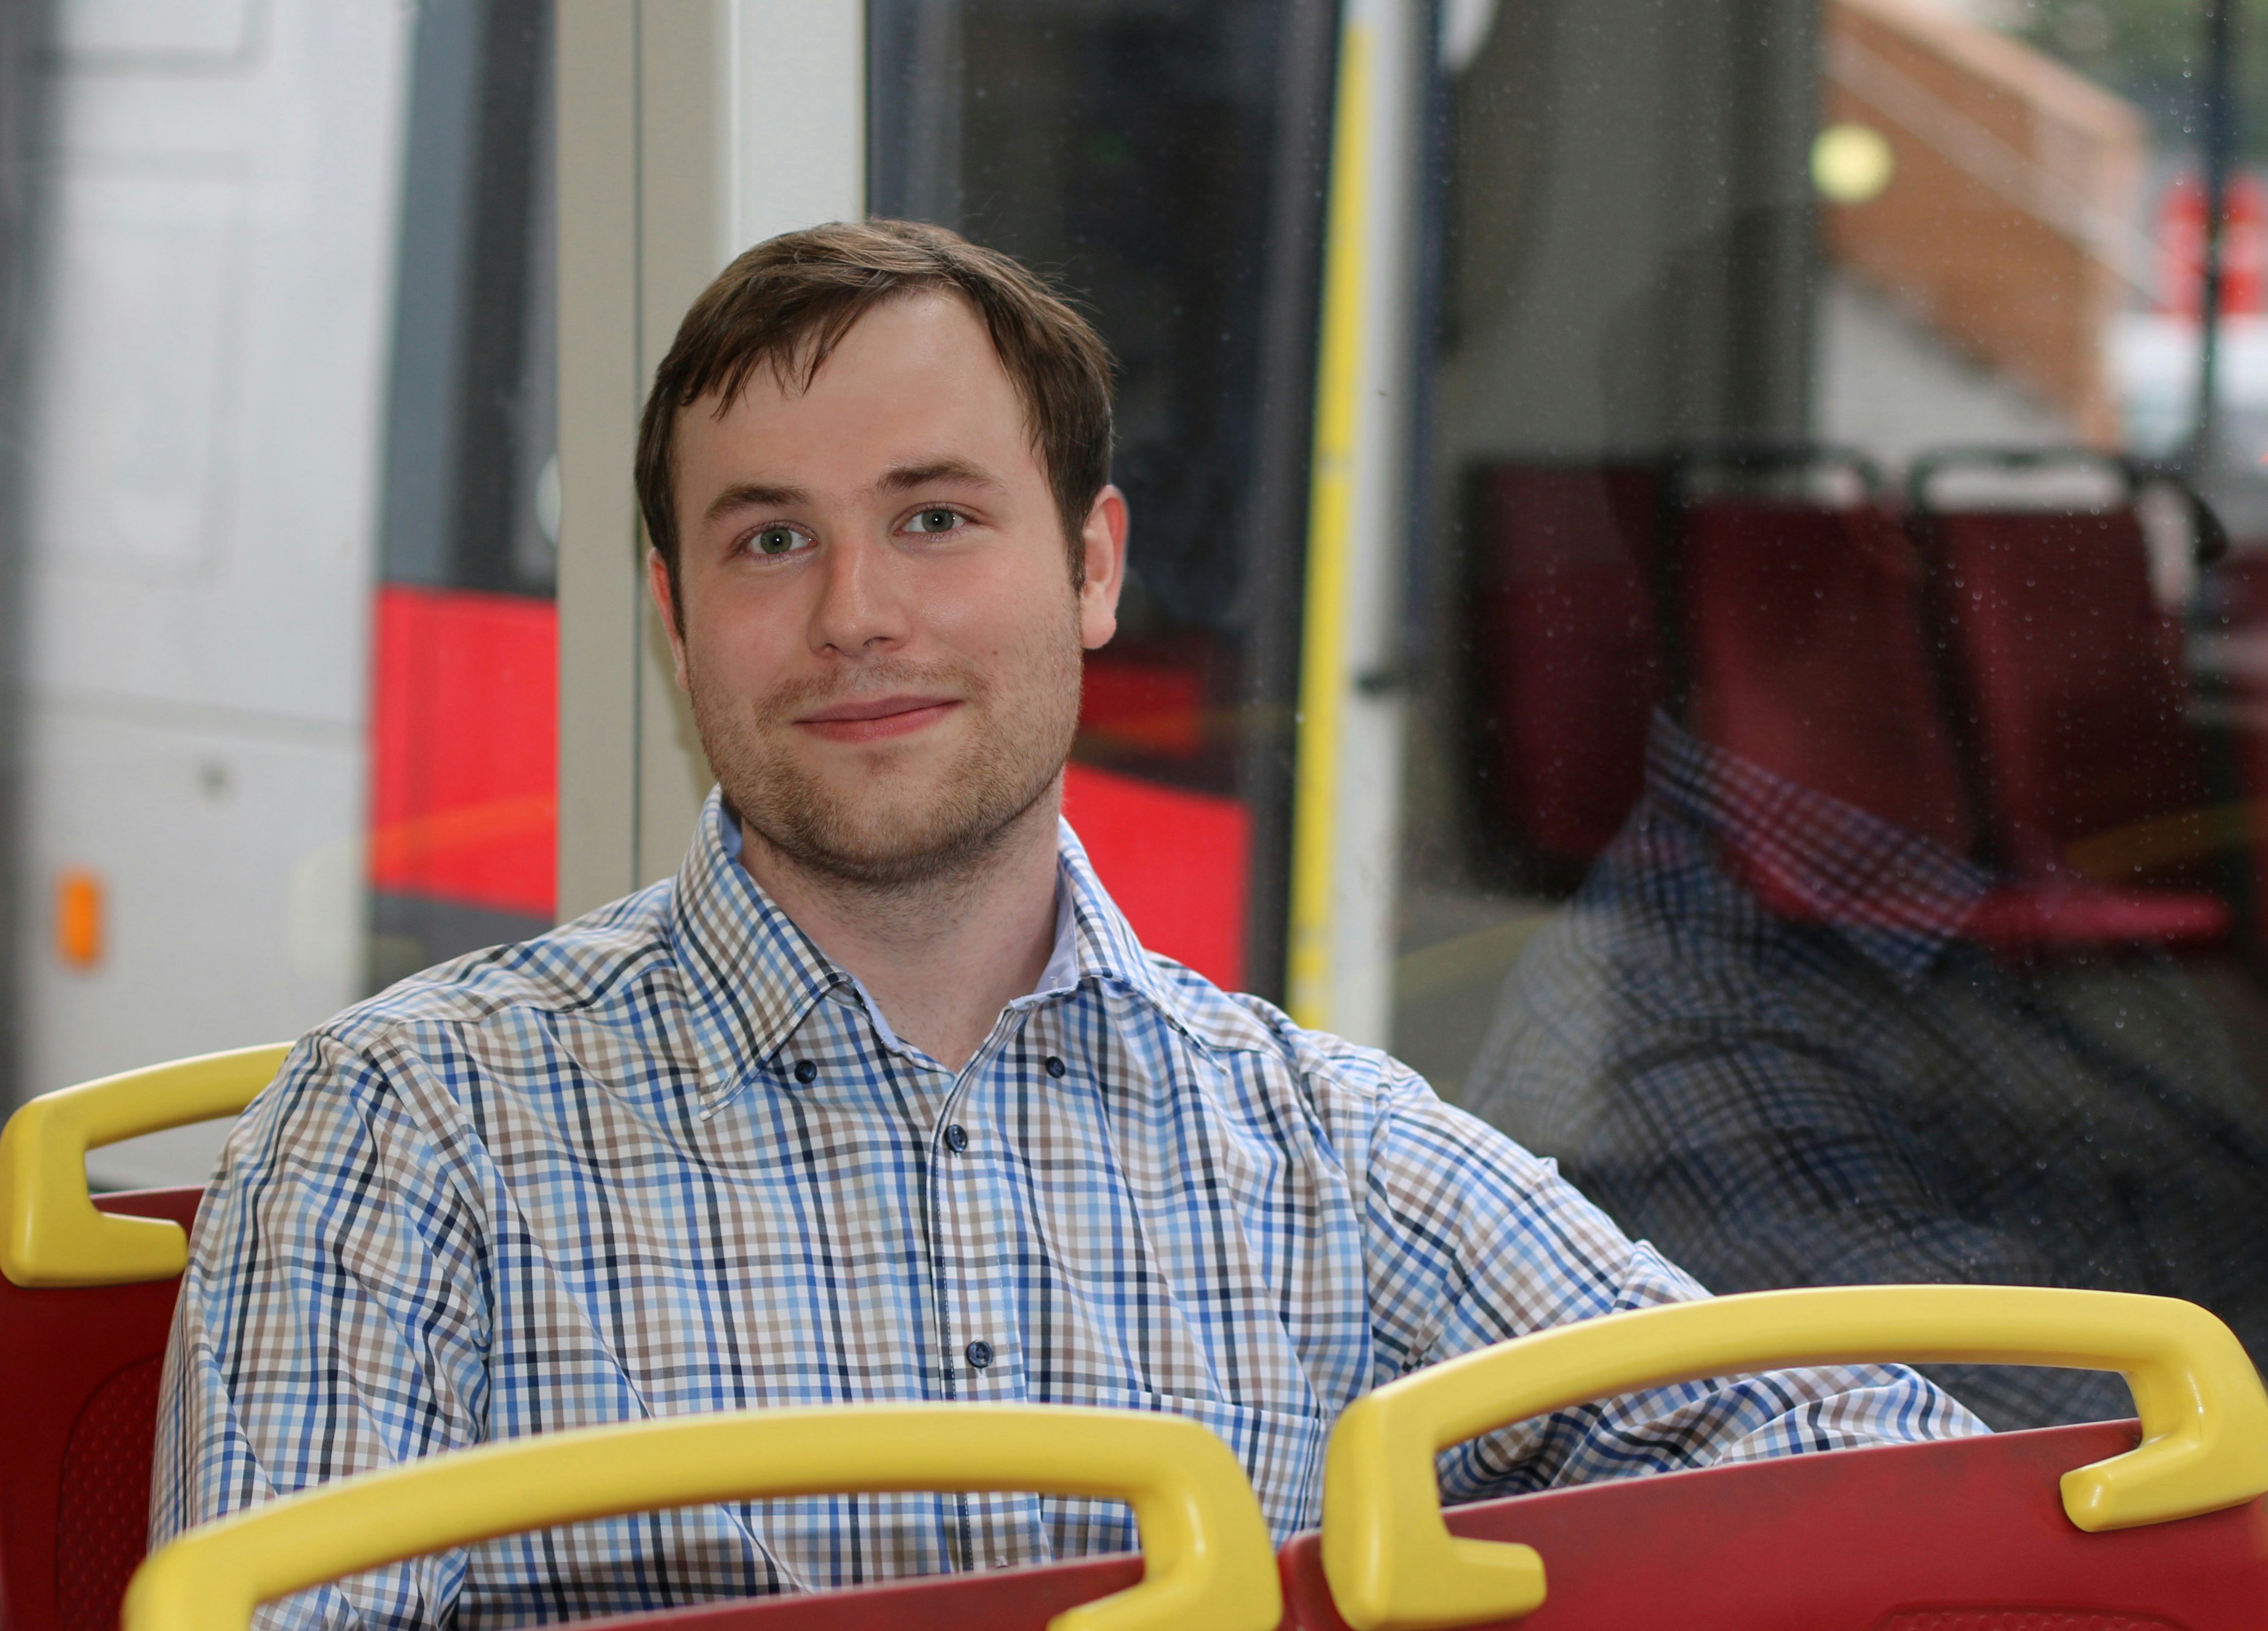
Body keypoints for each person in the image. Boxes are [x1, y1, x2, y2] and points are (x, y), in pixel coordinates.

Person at [152, 220, 1978, 1627]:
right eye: (769, 540)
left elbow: (1865, 1462)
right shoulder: (404, 1133)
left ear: (1093, 565)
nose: (858, 610)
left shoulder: (1319, 1151)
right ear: (673, 610)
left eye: (935, 516)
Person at [1464, 711, 2268, 1432]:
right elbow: (2083, 1464)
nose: (2172, 589)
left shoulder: (1994, 871)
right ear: (1888, 543)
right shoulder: (1679, 1019)